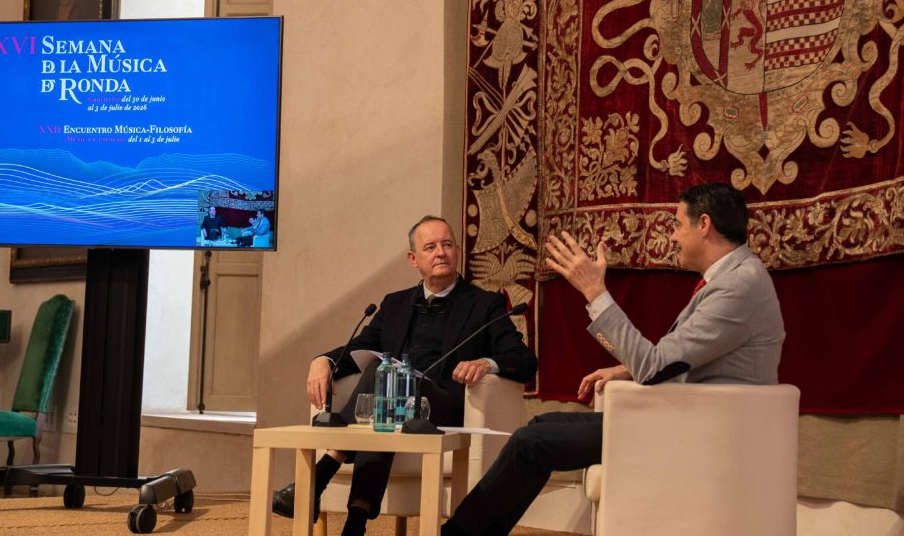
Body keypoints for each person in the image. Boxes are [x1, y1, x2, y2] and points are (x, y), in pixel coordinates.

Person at [440, 182, 785, 536]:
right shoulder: (735, 277)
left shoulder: (735, 286)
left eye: (679, 225)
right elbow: (681, 357)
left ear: (704, 225)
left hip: (698, 432)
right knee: (538, 427)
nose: (674, 237)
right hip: (690, 419)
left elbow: (655, 367)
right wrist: (625, 368)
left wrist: (594, 291)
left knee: (531, 445)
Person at [272, 215, 538, 536]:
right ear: (414, 259)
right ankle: (355, 524)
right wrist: (323, 360)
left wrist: (487, 363)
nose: (441, 252)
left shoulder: (484, 304)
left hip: (443, 411)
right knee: (385, 392)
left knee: (384, 376)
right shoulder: (394, 304)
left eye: (447, 244)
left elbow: (524, 361)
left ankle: (320, 475)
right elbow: (360, 348)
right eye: (430, 247)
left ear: (457, 251)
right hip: (393, 410)